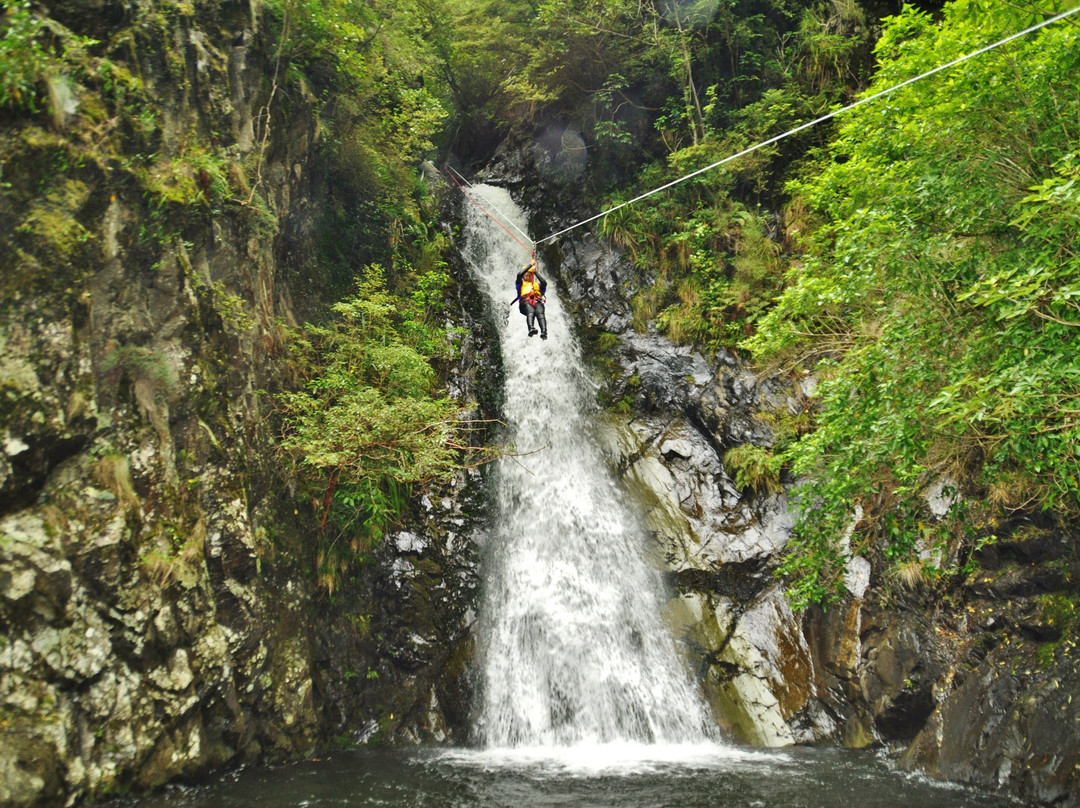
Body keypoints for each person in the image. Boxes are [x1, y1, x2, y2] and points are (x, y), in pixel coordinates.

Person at [513, 257, 548, 339]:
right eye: (526, 276)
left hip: (537, 302)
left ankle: (544, 332)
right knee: (531, 310)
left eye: (529, 275)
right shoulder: (520, 284)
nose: (527, 277)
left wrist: (535, 272)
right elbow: (519, 274)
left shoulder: (538, 286)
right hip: (525, 303)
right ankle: (531, 328)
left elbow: (544, 282)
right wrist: (530, 265)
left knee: (540, 312)